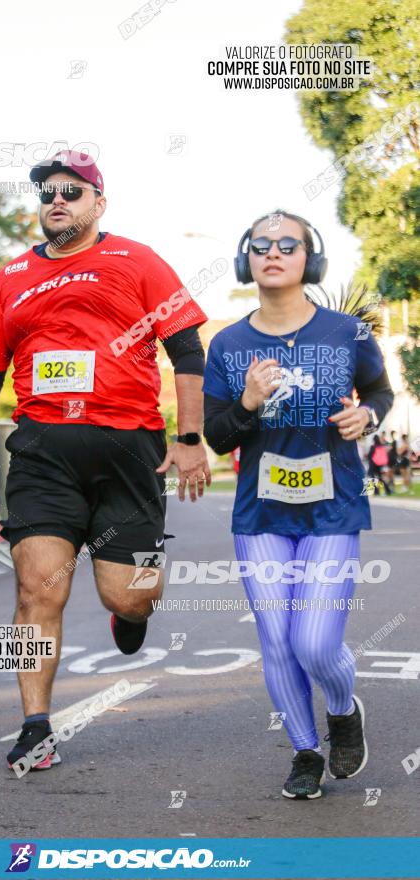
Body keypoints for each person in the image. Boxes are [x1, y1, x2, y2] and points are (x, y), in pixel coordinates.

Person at [0, 150, 211, 771]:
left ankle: (132, 617)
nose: (57, 200)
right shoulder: (12, 276)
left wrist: (189, 438)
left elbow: (186, 349)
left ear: (99, 203)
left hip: (131, 451)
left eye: (72, 192)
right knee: (35, 589)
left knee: (132, 598)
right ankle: (35, 726)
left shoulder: (138, 260)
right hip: (44, 450)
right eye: (48, 192)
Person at [203, 210, 393, 800]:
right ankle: (306, 751)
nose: (274, 252)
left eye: (290, 244)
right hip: (260, 515)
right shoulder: (229, 345)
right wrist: (248, 403)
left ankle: (342, 708)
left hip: (333, 506)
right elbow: (217, 436)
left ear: (311, 259)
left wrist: (370, 415)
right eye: (261, 244)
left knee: (314, 641)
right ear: (246, 259)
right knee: (277, 640)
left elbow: (380, 390)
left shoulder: (347, 333)